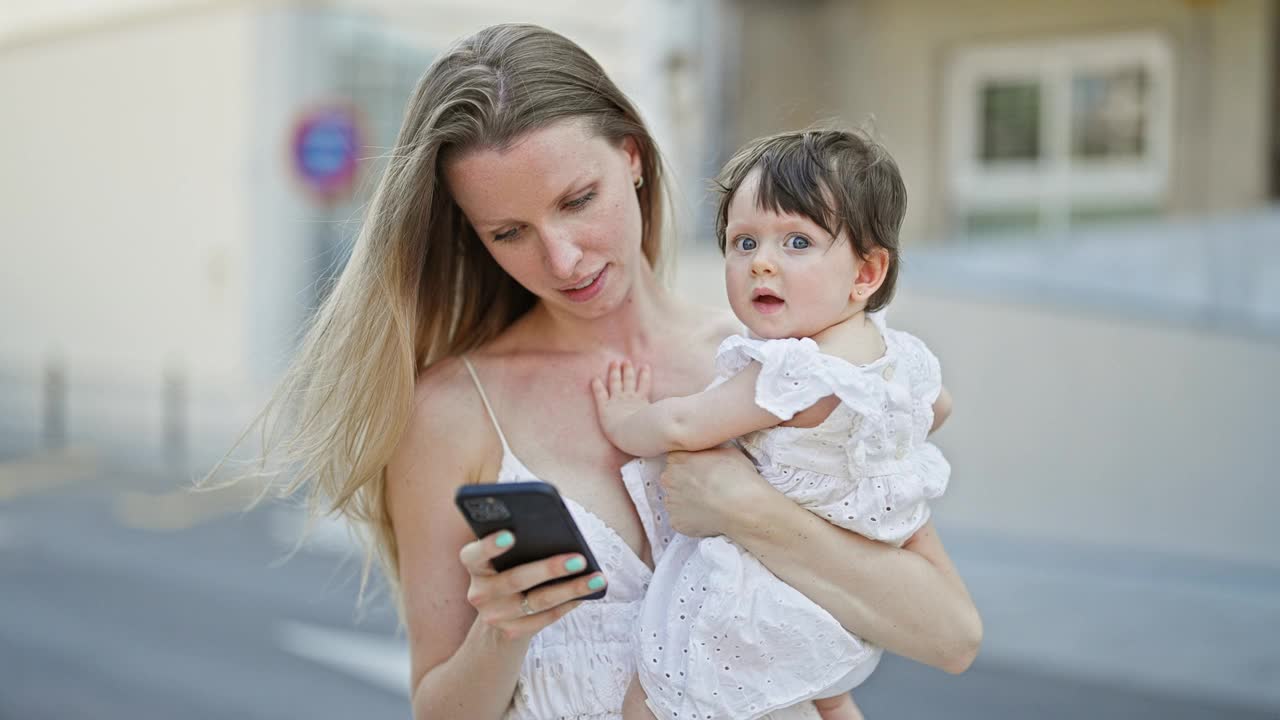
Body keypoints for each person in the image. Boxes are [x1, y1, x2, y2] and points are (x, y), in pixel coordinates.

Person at [233, 23, 981, 720]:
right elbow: (440, 707)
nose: (562, 259)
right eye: (510, 232)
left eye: (578, 200)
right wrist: (502, 630)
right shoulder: (454, 410)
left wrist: (745, 509)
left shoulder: (784, 368)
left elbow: (950, 635)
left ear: (631, 156)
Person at [592, 128, 954, 720]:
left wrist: (626, 419)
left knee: (653, 696)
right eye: (743, 242)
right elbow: (937, 410)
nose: (761, 262)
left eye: (796, 241)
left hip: (768, 583)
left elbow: (686, 423)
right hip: (835, 584)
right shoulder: (896, 355)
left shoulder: (795, 370)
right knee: (817, 693)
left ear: (866, 273)